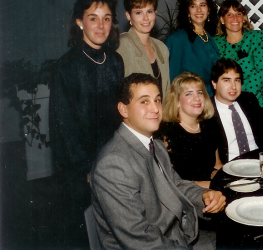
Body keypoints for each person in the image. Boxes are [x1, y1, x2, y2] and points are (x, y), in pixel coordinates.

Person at [90, 73, 226, 250]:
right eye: (144, 102)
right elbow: (139, 239)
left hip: (176, 235)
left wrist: (204, 196)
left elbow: (175, 184)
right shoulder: (113, 163)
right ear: (123, 109)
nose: (155, 108)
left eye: (157, 100)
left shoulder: (156, 145)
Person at [49, 0, 124, 246]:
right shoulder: (66, 67)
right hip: (80, 171)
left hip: (113, 162)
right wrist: (87, 170)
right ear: (80, 22)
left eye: (106, 18)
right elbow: (64, 127)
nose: (101, 25)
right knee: (87, 236)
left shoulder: (115, 61)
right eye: (93, 18)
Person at [155, 72, 223, 189]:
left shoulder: (210, 125)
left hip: (213, 190)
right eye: (188, 94)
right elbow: (170, 183)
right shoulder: (166, 133)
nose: (197, 98)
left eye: (200, 92)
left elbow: (217, 165)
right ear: (177, 102)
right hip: (187, 197)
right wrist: (214, 185)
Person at [210, 58, 263, 162]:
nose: (233, 87)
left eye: (237, 80)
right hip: (230, 168)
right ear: (214, 83)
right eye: (226, 80)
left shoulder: (249, 100)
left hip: (260, 163)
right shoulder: (207, 112)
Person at [166, 0, 220, 96]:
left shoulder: (209, 38)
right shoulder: (177, 39)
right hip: (190, 101)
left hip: (211, 101)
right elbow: (172, 81)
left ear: (208, 10)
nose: (199, 10)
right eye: (193, 6)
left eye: (202, 5)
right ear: (187, 12)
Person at [117, 0, 170, 97]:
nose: (145, 18)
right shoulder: (122, 44)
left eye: (149, 11)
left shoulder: (161, 48)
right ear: (128, 16)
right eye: (138, 13)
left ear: (155, 13)